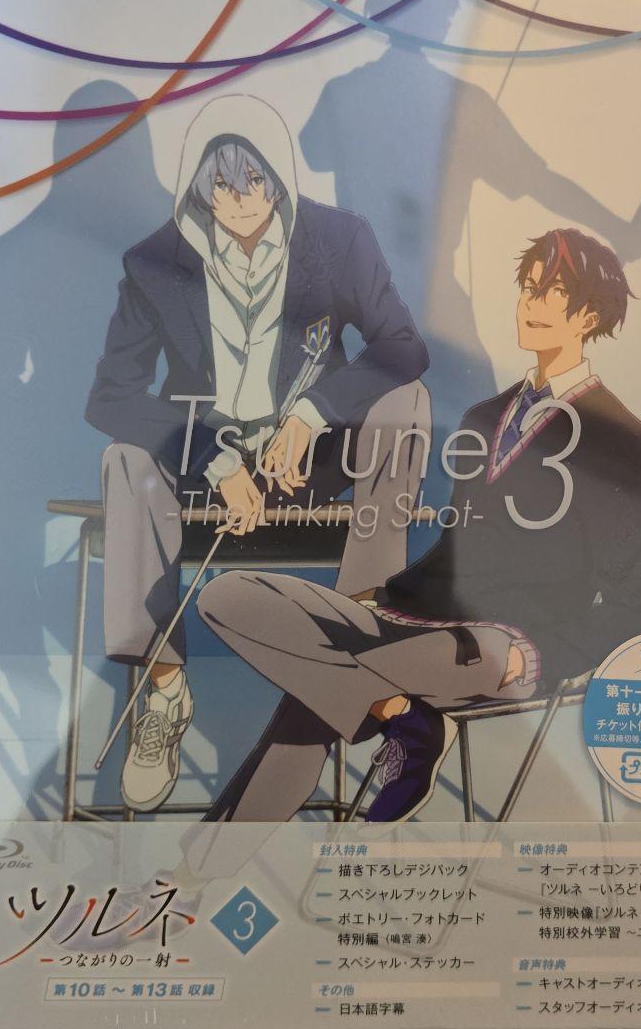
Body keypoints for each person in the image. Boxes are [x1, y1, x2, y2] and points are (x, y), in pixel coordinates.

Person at [197, 228, 641, 824]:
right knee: (228, 595)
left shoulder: (621, 439)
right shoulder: (483, 417)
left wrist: (540, 656)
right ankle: (406, 717)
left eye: (552, 292)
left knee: (319, 695)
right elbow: (459, 549)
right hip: (422, 619)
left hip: (503, 647)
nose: (531, 303)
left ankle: (197, 870)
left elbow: (636, 604)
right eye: (528, 287)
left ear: (589, 316)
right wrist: (383, 595)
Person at [85, 94, 430, 813]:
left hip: (310, 465)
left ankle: (362, 640)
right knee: (124, 459)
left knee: (407, 402)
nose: (240, 200)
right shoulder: (154, 262)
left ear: (279, 177)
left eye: (255, 181)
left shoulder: (340, 239)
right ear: (197, 183)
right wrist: (215, 461)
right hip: (202, 471)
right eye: (221, 184)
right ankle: (164, 690)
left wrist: (311, 413)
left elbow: (403, 347)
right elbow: (111, 395)